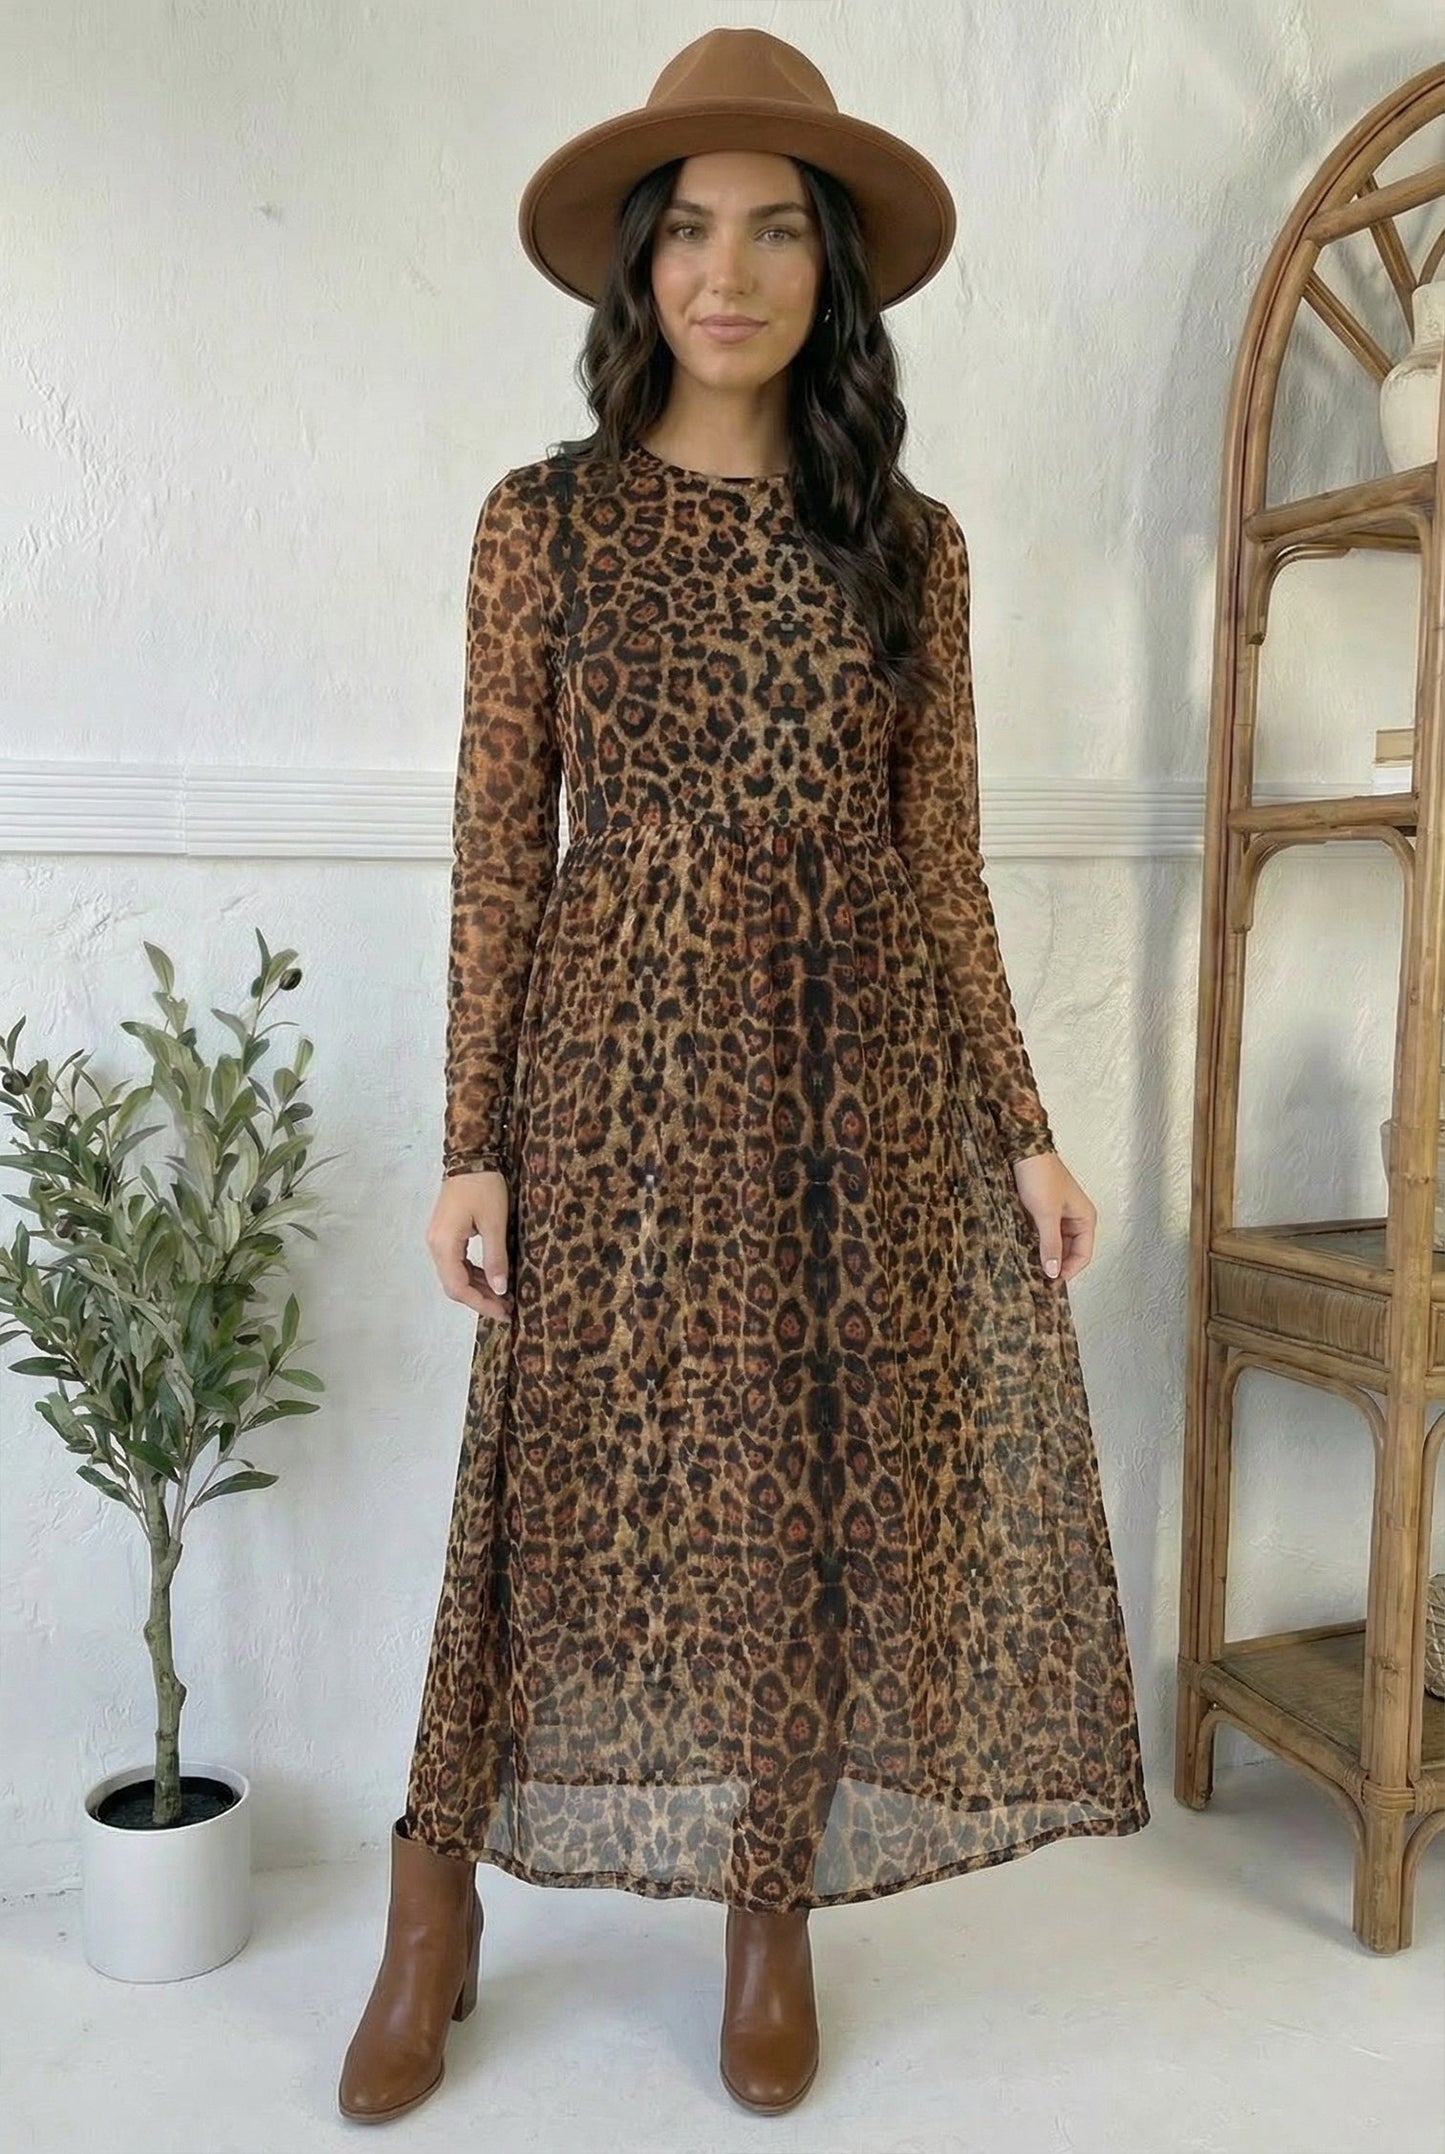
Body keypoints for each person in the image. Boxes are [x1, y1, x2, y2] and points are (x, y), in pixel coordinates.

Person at [338, 26, 1150, 2127]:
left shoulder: (914, 547)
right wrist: (469, 1145)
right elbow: (497, 841)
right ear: (637, 268)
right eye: (689, 228)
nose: (730, 271)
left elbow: (939, 859)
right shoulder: (548, 527)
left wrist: (1028, 1132)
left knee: (801, 1496)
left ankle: (765, 1911)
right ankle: (433, 1907)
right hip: (612, 1074)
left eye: (777, 230)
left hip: (855, 1081)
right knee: (543, 1486)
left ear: (831, 274)